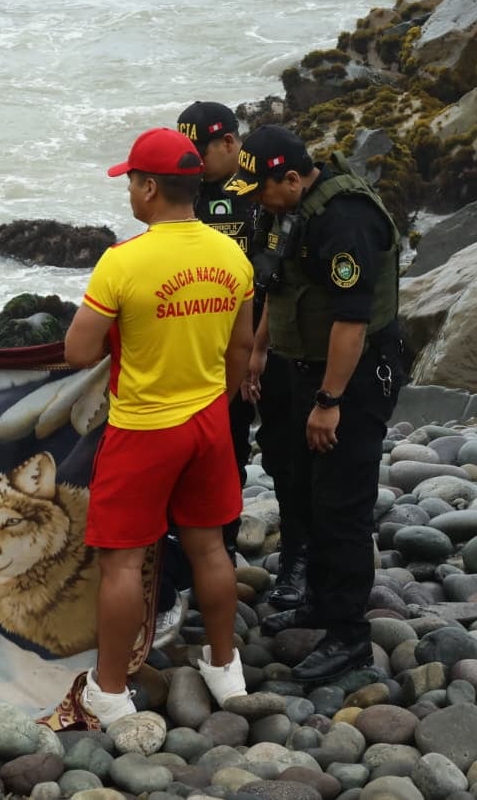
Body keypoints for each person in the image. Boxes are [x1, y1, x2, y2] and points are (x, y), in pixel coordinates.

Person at [64, 127, 254, 726]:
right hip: (208, 422)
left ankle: (110, 690)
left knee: (122, 564)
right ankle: (224, 667)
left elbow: (77, 352)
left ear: (149, 188)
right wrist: (214, 401)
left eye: (131, 182)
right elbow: (241, 349)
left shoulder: (123, 261)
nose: (129, 192)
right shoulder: (232, 255)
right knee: (210, 548)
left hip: (143, 427)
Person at [223, 124, 403, 684]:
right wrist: (259, 351)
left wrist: (329, 401)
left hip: (354, 378)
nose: (256, 202)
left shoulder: (344, 221)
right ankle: (321, 603)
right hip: (303, 367)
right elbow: (280, 288)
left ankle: (349, 635)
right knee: (305, 488)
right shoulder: (288, 210)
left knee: (342, 504)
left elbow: (351, 322)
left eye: (260, 190)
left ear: (292, 178)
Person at [178, 101, 301, 606]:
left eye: (197, 153)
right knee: (217, 455)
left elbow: (282, 269)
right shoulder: (185, 192)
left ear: (228, 142)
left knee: (286, 455)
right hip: (209, 351)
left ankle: (295, 562)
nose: (191, 163)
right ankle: (215, 558)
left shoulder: (262, 189)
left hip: (272, 345)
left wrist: (261, 345)